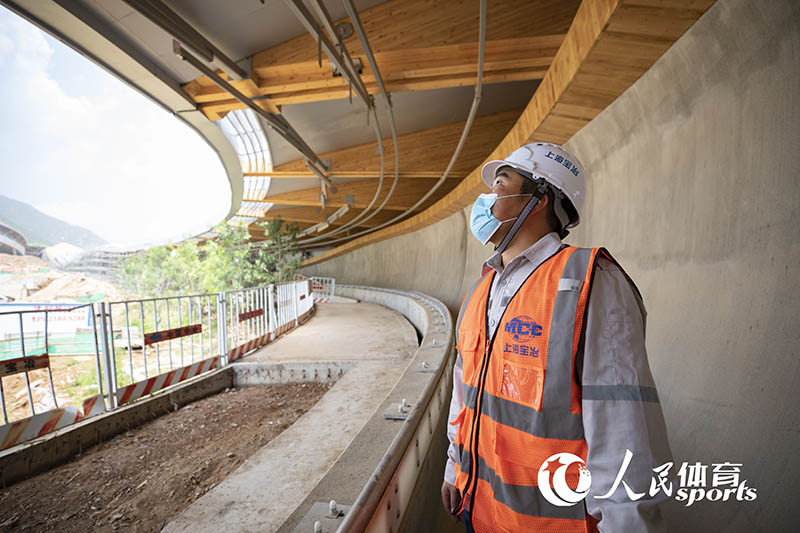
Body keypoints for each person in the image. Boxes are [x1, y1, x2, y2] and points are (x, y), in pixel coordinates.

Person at [441, 142, 673, 532]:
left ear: (539, 199)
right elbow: (464, 395)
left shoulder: (589, 282)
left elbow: (622, 427)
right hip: (479, 513)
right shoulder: (481, 291)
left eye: (501, 182)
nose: (487, 198)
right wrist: (453, 467)